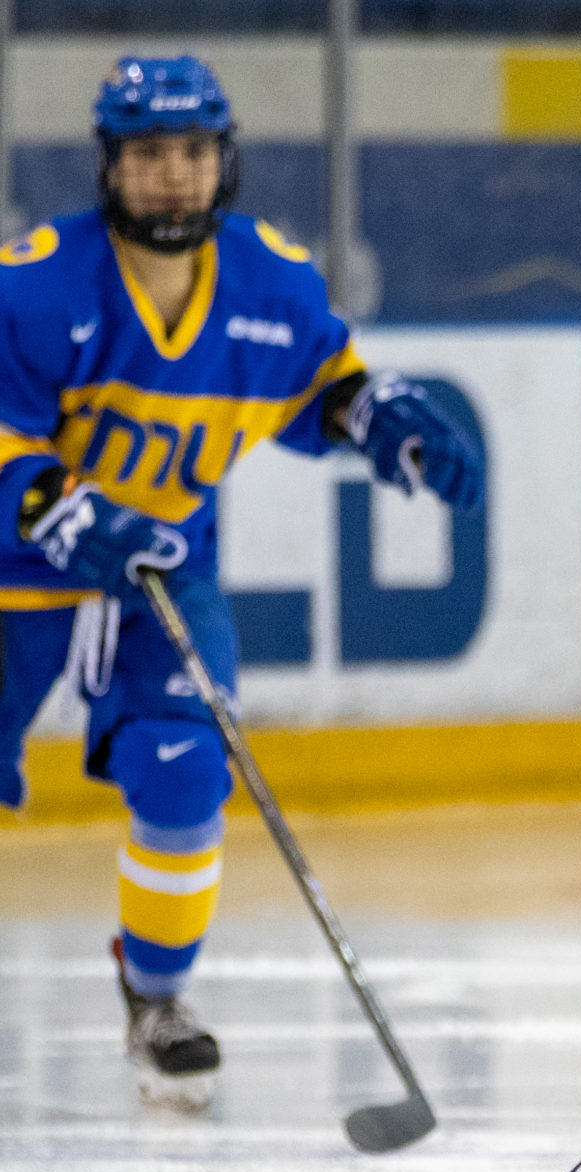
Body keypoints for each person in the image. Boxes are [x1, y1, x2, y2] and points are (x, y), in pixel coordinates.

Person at [0, 56, 482, 1112]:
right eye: (147, 155)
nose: (171, 176)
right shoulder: (34, 284)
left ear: (225, 161)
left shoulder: (271, 281)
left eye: (191, 152)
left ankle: (158, 998)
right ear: (108, 167)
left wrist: (382, 420)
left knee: (183, 775)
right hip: (13, 572)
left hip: (161, 573)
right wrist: (65, 510)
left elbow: (325, 387)